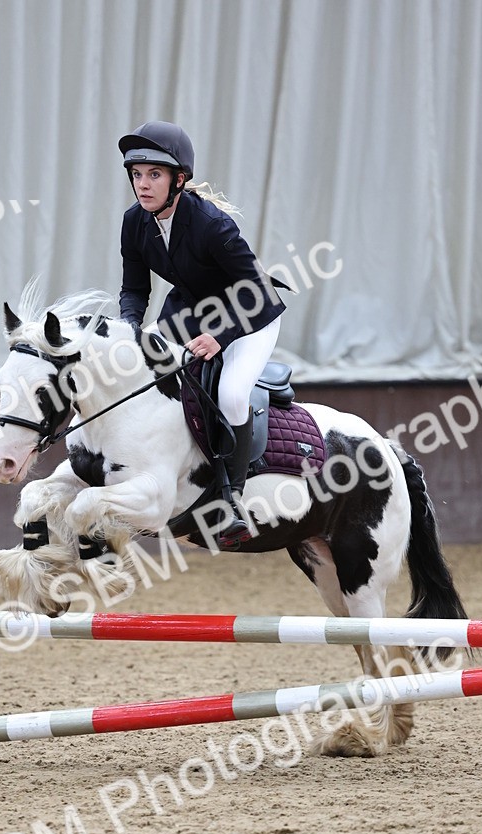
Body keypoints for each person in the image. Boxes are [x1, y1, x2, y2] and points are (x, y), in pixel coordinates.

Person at [118, 120, 287, 549]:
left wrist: (220, 338)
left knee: (230, 393)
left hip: (247, 314)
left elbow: (259, 292)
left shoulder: (214, 225)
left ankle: (231, 499)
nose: (143, 184)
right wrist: (127, 330)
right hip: (191, 310)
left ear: (179, 179)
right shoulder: (134, 222)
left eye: (154, 174)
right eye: (137, 174)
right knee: (145, 374)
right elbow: (135, 290)